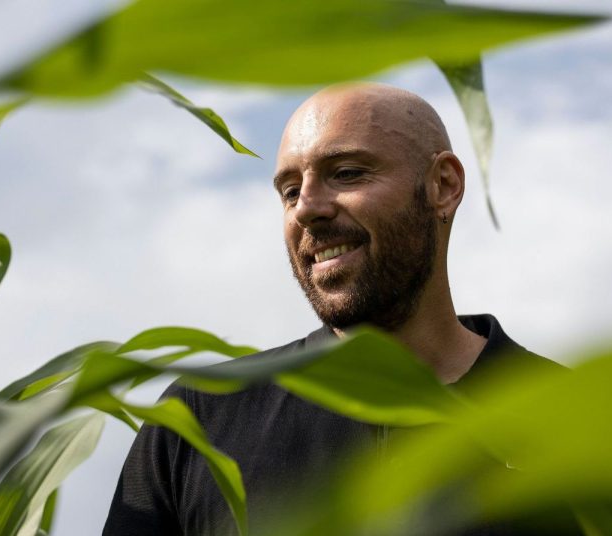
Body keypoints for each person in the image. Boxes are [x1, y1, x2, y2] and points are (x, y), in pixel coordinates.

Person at [103, 83, 568, 535]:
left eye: (346, 173)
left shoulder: (582, 416)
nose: (306, 209)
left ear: (442, 186)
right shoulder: (200, 421)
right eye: (288, 191)